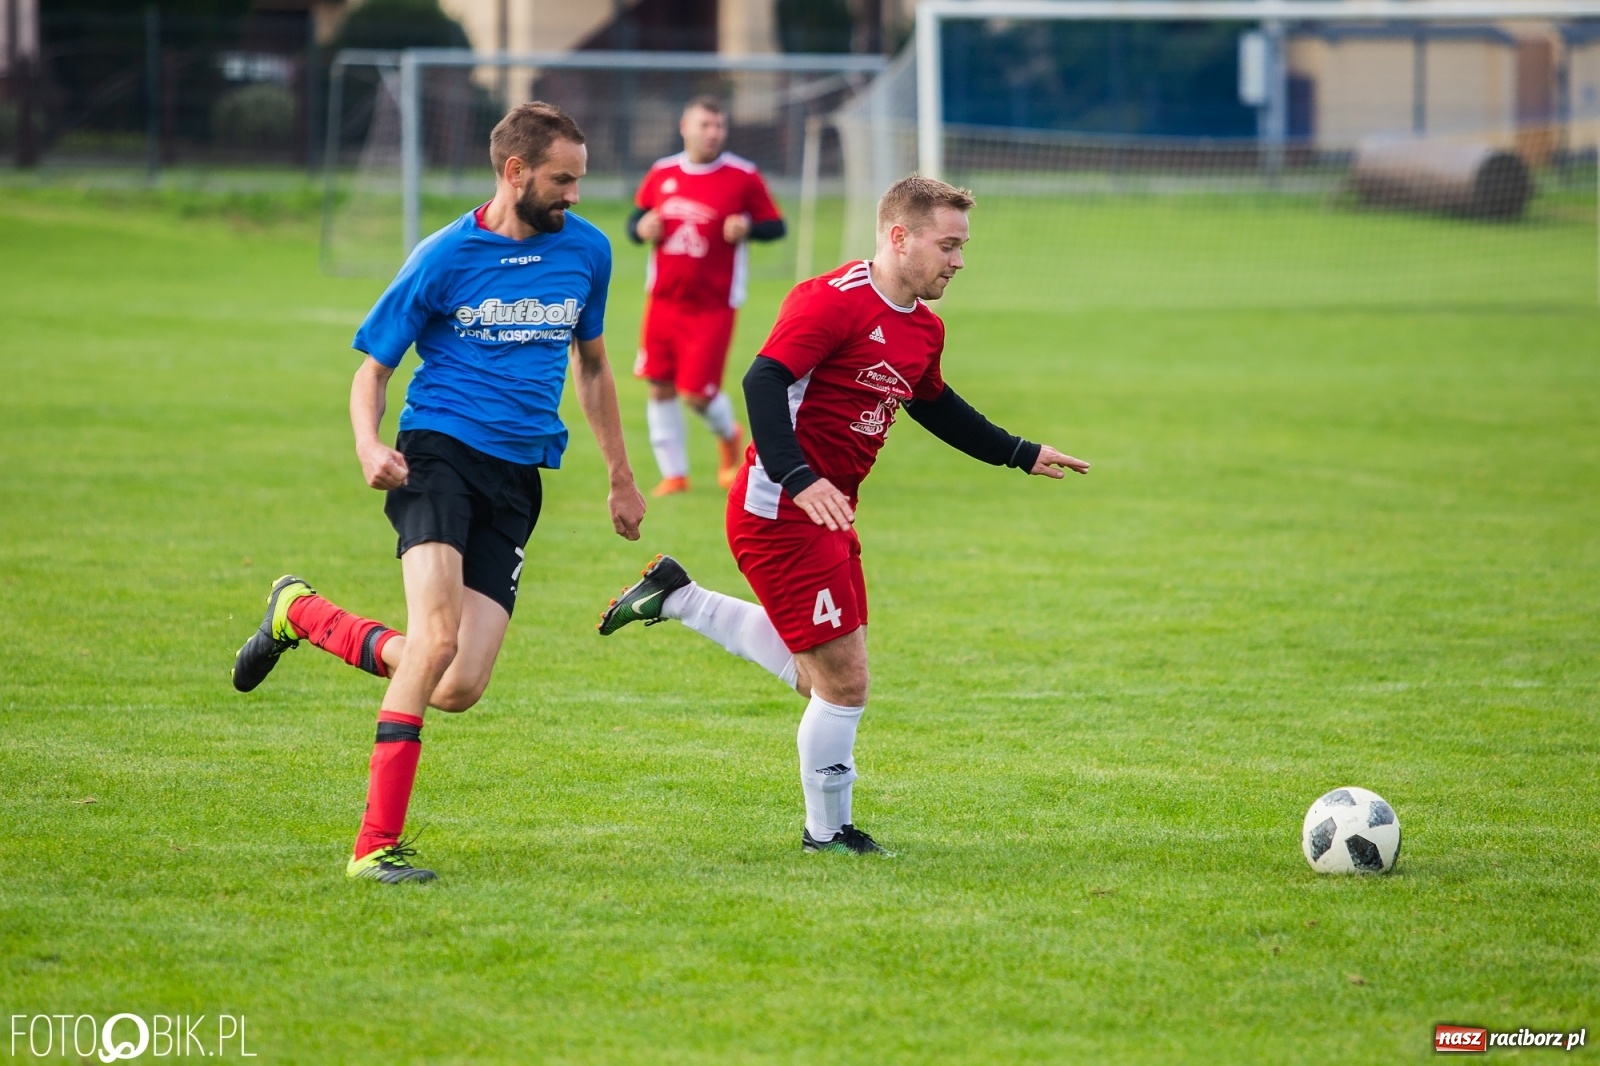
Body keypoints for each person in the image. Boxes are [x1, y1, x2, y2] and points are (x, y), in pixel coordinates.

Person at [597, 176, 1089, 855]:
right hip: (780, 510)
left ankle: (681, 599)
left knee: (821, 677)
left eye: (962, 248)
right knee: (846, 682)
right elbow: (762, 381)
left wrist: (1019, 452)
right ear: (898, 237)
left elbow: (934, 403)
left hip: (826, 513)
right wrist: (799, 479)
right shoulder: (830, 302)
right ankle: (827, 834)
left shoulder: (924, 327)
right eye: (947, 246)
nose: (958, 261)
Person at [231, 102, 646, 884]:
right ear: (514, 171)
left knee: (456, 684)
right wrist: (367, 443)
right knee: (437, 638)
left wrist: (621, 476)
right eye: (562, 180)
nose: (577, 196)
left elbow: (593, 366)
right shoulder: (442, 257)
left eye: (581, 179)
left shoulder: (587, 252)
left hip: (519, 475)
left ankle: (302, 613)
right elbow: (372, 371)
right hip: (438, 456)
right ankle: (373, 848)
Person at [628, 95, 786, 497]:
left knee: (696, 393)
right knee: (659, 385)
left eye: (719, 126)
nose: (713, 133)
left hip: (713, 303)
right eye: (705, 125)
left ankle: (729, 436)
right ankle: (675, 474)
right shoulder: (662, 172)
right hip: (663, 299)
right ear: (685, 126)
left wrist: (747, 227)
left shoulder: (742, 176)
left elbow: (775, 226)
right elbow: (636, 220)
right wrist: (641, 228)